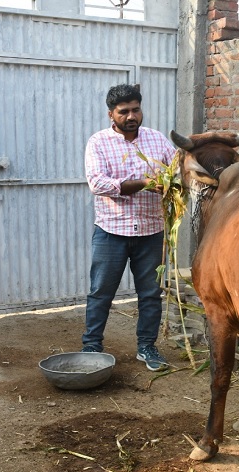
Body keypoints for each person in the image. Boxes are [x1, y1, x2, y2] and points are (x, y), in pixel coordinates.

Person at [81, 84, 176, 372]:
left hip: (151, 232)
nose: (131, 116)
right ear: (111, 114)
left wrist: (175, 181)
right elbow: (97, 184)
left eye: (135, 110)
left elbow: (177, 169)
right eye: (124, 112)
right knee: (101, 292)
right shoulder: (98, 143)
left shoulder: (157, 141)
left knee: (150, 294)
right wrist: (146, 183)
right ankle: (92, 346)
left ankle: (147, 347)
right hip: (111, 232)